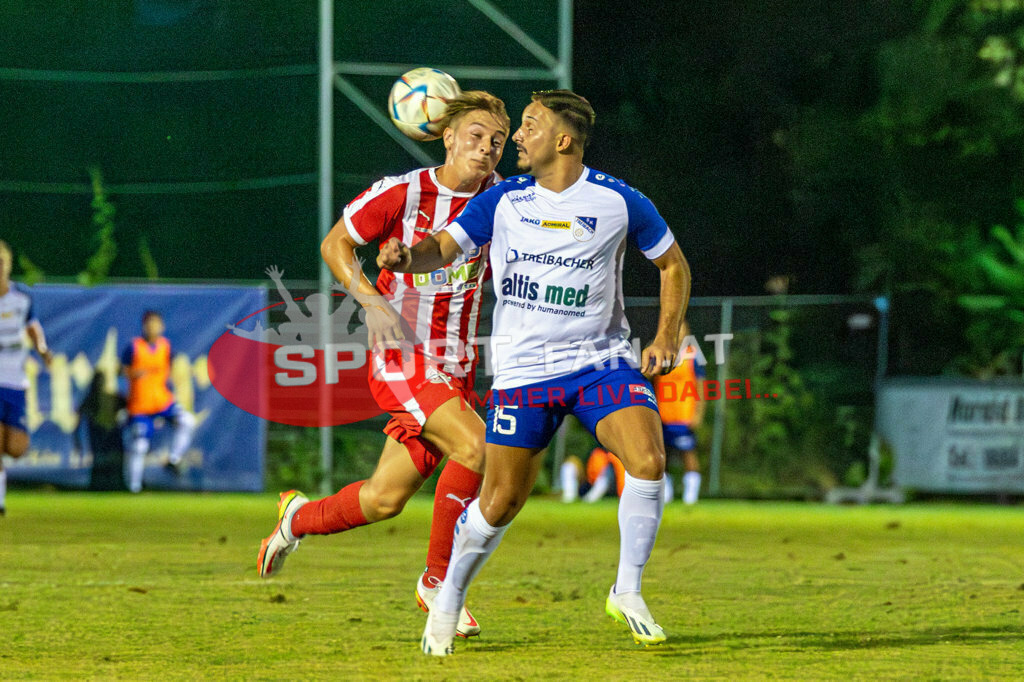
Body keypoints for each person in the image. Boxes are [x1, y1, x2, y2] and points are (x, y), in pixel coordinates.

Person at [378, 89, 691, 654]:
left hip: (600, 362)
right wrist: (407, 257)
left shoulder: (619, 200)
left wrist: (668, 333)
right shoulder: (503, 201)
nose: (515, 137)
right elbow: (443, 249)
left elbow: (672, 263)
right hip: (524, 373)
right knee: (499, 504)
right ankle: (447, 597)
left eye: (528, 126)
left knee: (648, 460)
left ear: (563, 141)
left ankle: (628, 589)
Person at [256, 91, 511, 639]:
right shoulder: (403, 192)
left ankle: (295, 517)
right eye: (475, 136)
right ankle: (438, 583)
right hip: (403, 355)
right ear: (445, 136)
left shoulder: (505, 200)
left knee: (384, 499)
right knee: (477, 446)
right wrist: (371, 300)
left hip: (458, 366)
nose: (487, 149)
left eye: (497, 141)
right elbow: (336, 245)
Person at [0, 240, 53, 516]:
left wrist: (43, 351)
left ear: (8, 267)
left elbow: (33, 329)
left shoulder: (21, 301)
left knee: (16, 448)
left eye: (1, 263)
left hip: (15, 383)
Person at [120, 310, 196, 493]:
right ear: (143, 326)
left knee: (187, 421)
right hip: (141, 404)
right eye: (149, 324)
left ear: (162, 326)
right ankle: (134, 488)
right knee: (139, 446)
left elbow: (169, 369)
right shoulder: (134, 346)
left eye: (155, 323)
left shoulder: (165, 346)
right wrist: (132, 374)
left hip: (162, 401)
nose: (152, 327)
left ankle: (174, 459)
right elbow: (122, 370)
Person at [651, 322, 706, 504]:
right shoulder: (661, 354)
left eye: (681, 329)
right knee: (663, 456)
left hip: (684, 415)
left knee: (688, 453)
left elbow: (700, 385)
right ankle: (666, 493)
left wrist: (698, 413)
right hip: (663, 414)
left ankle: (691, 495)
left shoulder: (693, 355)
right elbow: (648, 377)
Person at [560, 446, 625, 503]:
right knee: (568, 466)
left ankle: (590, 500)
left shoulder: (616, 454)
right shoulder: (591, 448)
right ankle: (569, 497)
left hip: (608, 488)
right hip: (587, 483)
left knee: (605, 476)